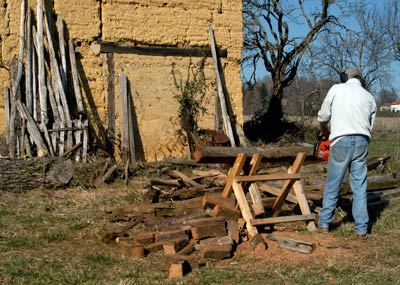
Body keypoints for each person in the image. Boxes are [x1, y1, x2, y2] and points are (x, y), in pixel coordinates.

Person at [317, 68, 377, 240]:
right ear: (360, 79)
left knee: (333, 183)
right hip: (362, 142)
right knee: (359, 187)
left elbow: (323, 116)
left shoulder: (336, 89)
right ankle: (361, 229)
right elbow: (369, 126)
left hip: (340, 141)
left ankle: (324, 223)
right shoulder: (369, 97)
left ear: (345, 78)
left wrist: (324, 131)